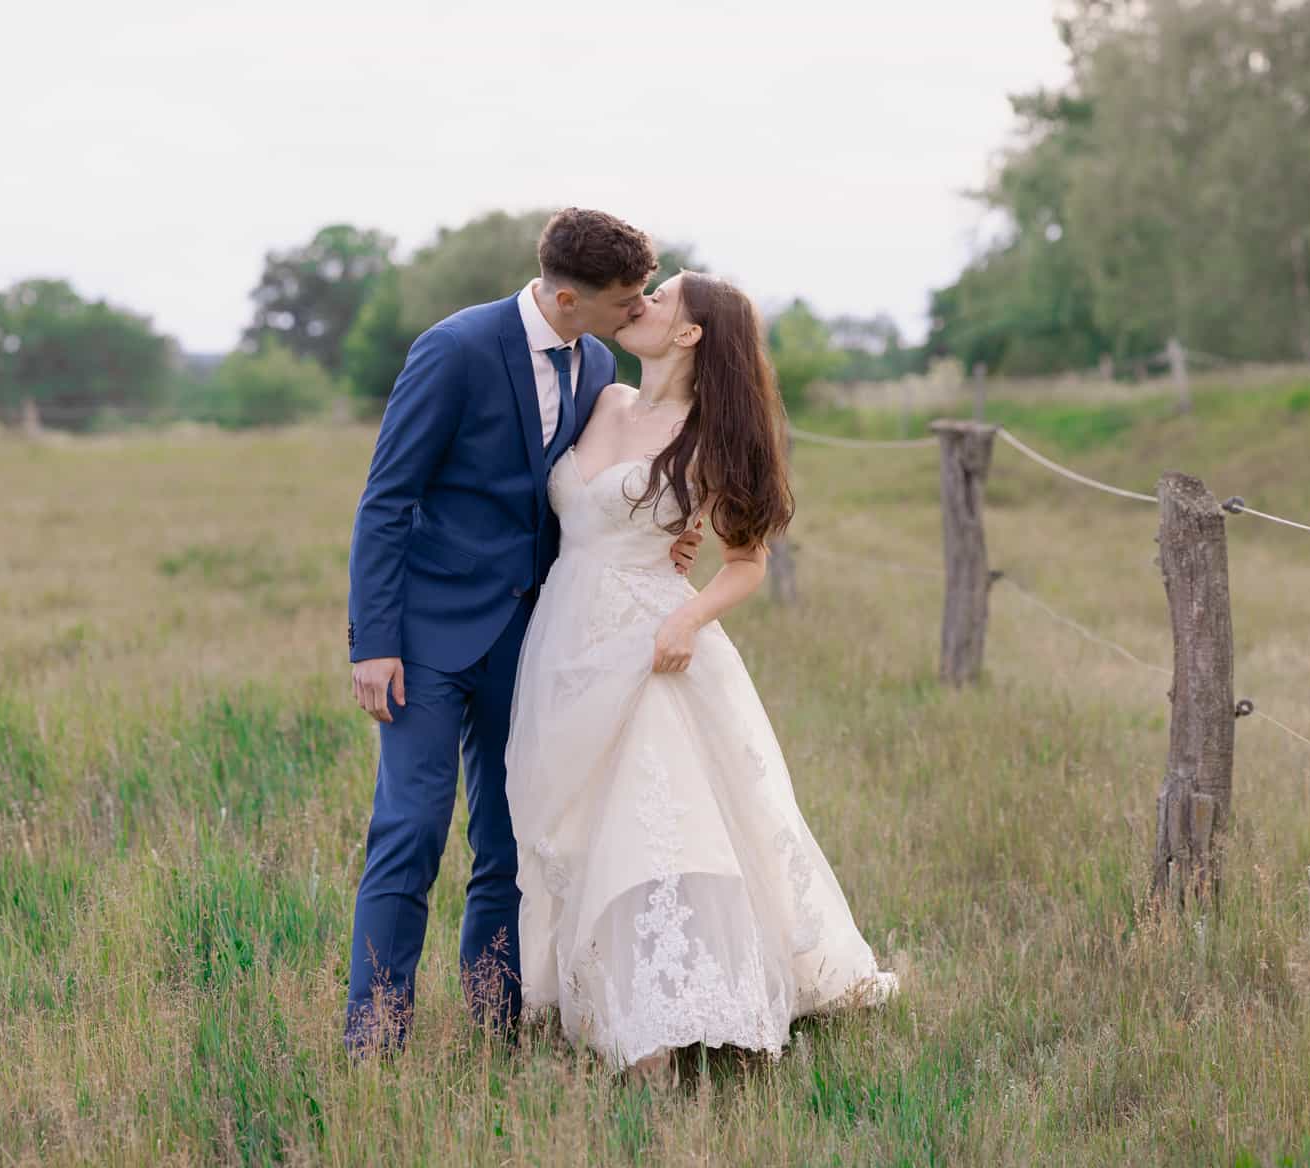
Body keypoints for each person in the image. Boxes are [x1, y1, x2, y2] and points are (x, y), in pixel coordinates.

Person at [505, 270, 898, 1085]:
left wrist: (683, 618)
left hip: (655, 648)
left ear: (689, 335)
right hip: (565, 640)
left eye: (661, 297)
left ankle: (657, 1027)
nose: (639, 302)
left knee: (652, 828)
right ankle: (598, 996)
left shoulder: (710, 433)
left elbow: (746, 562)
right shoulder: (604, 399)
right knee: (571, 824)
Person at [344, 209, 701, 1053]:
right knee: (412, 829)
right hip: (425, 638)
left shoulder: (601, 360)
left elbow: (589, 485)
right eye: (626, 299)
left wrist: (665, 528)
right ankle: (375, 1034)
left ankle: (495, 1019)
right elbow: (388, 498)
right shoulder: (455, 349)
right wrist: (373, 640)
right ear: (569, 296)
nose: (637, 309)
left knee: (511, 833)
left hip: (533, 637)